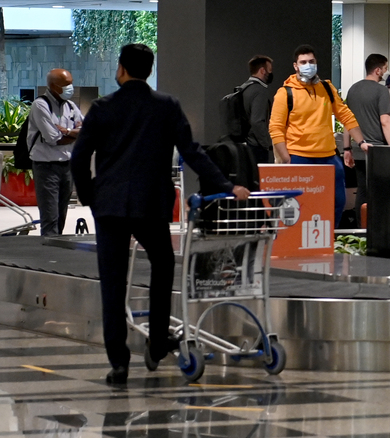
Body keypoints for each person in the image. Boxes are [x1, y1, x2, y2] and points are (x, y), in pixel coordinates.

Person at [70, 44, 250, 385]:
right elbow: (192, 152)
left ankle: (119, 364)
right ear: (149, 71)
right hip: (151, 205)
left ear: (121, 69)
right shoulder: (166, 106)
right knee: (163, 266)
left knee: (113, 283)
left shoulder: (103, 107)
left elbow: (79, 159)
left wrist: (92, 199)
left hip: (110, 207)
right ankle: (156, 341)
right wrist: (227, 186)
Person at [269, 45, 365, 222]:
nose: (308, 65)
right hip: (299, 156)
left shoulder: (327, 88)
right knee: (299, 205)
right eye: (303, 62)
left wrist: (361, 142)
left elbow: (345, 115)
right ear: (296, 66)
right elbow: (276, 128)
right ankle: (298, 238)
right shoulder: (285, 93)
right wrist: (286, 159)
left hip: (328, 156)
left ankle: (330, 235)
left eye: (311, 61)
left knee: (337, 201)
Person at [28, 68, 83, 236]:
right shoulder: (40, 105)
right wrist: (74, 133)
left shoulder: (70, 106)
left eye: (71, 83)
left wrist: (67, 131)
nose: (70, 88)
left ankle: (57, 247)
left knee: (61, 216)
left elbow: (86, 129)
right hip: (46, 167)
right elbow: (53, 138)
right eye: (66, 84)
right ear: (53, 86)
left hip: (67, 166)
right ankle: (48, 249)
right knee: (50, 217)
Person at [343, 53, 390, 222]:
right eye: (385, 68)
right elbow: (385, 121)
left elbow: (347, 122)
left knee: (362, 190)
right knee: (380, 190)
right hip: (377, 150)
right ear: (378, 70)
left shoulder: (353, 89)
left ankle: (361, 227)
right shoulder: (381, 90)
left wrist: (347, 148)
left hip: (358, 150)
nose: (386, 72)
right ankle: (377, 226)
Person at [242, 55, 275, 164]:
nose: (271, 73)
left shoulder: (244, 88)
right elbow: (257, 121)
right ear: (262, 71)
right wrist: (267, 144)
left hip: (244, 146)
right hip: (256, 149)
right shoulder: (260, 91)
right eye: (270, 70)